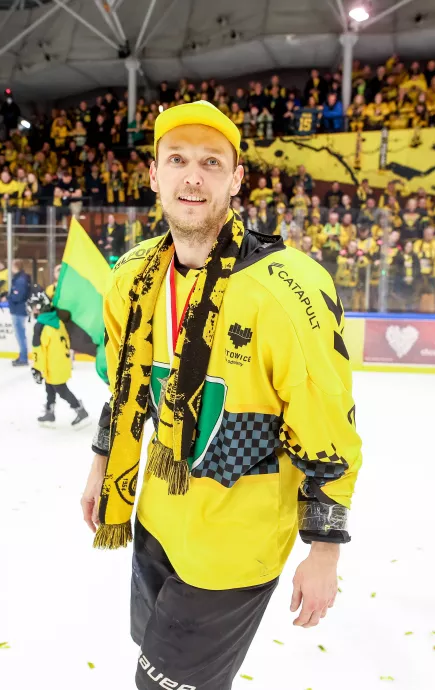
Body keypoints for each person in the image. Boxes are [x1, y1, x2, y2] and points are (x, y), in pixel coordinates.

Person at [80, 100, 362, 690]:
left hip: (237, 541)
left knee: (160, 685)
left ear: (236, 179)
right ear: (153, 175)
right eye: (177, 159)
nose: (193, 176)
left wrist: (325, 549)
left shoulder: (287, 288)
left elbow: (328, 424)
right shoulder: (131, 277)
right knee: (150, 651)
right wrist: (102, 465)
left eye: (211, 162)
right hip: (157, 519)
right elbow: (127, 387)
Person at [27, 291, 89, 425]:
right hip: (61, 362)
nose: (32, 310)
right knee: (49, 386)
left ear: (40, 307)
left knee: (61, 389)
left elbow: (38, 350)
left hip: (53, 364)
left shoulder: (41, 325)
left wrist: (36, 368)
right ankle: (50, 413)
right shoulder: (56, 319)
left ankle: (80, 410)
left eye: (34, 307)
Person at [8, 259, 32, 366]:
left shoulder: (20, 280)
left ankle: (23, 358)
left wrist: (10, 297)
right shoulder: (19, 279)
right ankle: (22, 356)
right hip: (18, 309)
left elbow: (18, 296)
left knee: (20, 335)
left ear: (16, 267)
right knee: (20, 334)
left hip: (19, 310)